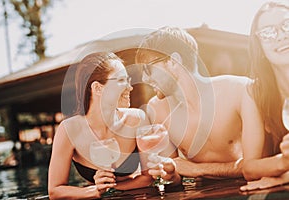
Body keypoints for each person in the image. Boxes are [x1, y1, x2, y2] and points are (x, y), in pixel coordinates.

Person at [135, 26, 265, 182]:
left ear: (173, 61)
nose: (144, 78)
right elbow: (175, 177)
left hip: (251, 188)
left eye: (148, 69)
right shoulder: (157, 109)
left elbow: (256, 165)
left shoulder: (239, 90)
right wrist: (170, 174)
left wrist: (196, 169)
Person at [48, 52, 153, 199]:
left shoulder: (136, 119)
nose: (130, 87)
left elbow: (149, 178)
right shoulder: (69, 130)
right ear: (97, 88)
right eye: (122, 80)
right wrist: (95, 191)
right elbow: (55, 191)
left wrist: (110, 188)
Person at [239, 1, 289, 191]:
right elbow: (249, 168)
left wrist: (285, 176)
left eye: (287, 25)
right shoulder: (255, 93)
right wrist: (284, 163)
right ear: (259, 47)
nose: (281, 36)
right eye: (268, 32)